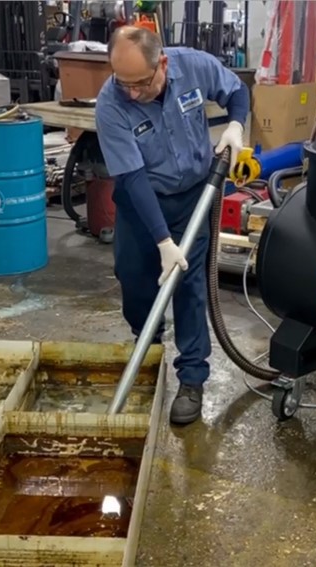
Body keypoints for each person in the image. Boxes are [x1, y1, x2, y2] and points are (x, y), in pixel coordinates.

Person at [95, 26, 249, 425]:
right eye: (122, 83)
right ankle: (147, 340)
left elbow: (236, 92)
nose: (131, 92)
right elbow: (131, 178)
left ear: (161, 64)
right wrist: (163, 241)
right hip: (140, 202)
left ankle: (192, 378)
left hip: (193, 198)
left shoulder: (193, 66)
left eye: (140, 83)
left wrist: (235, 124)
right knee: (134, 276)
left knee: (190, 286)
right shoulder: (111, 103)